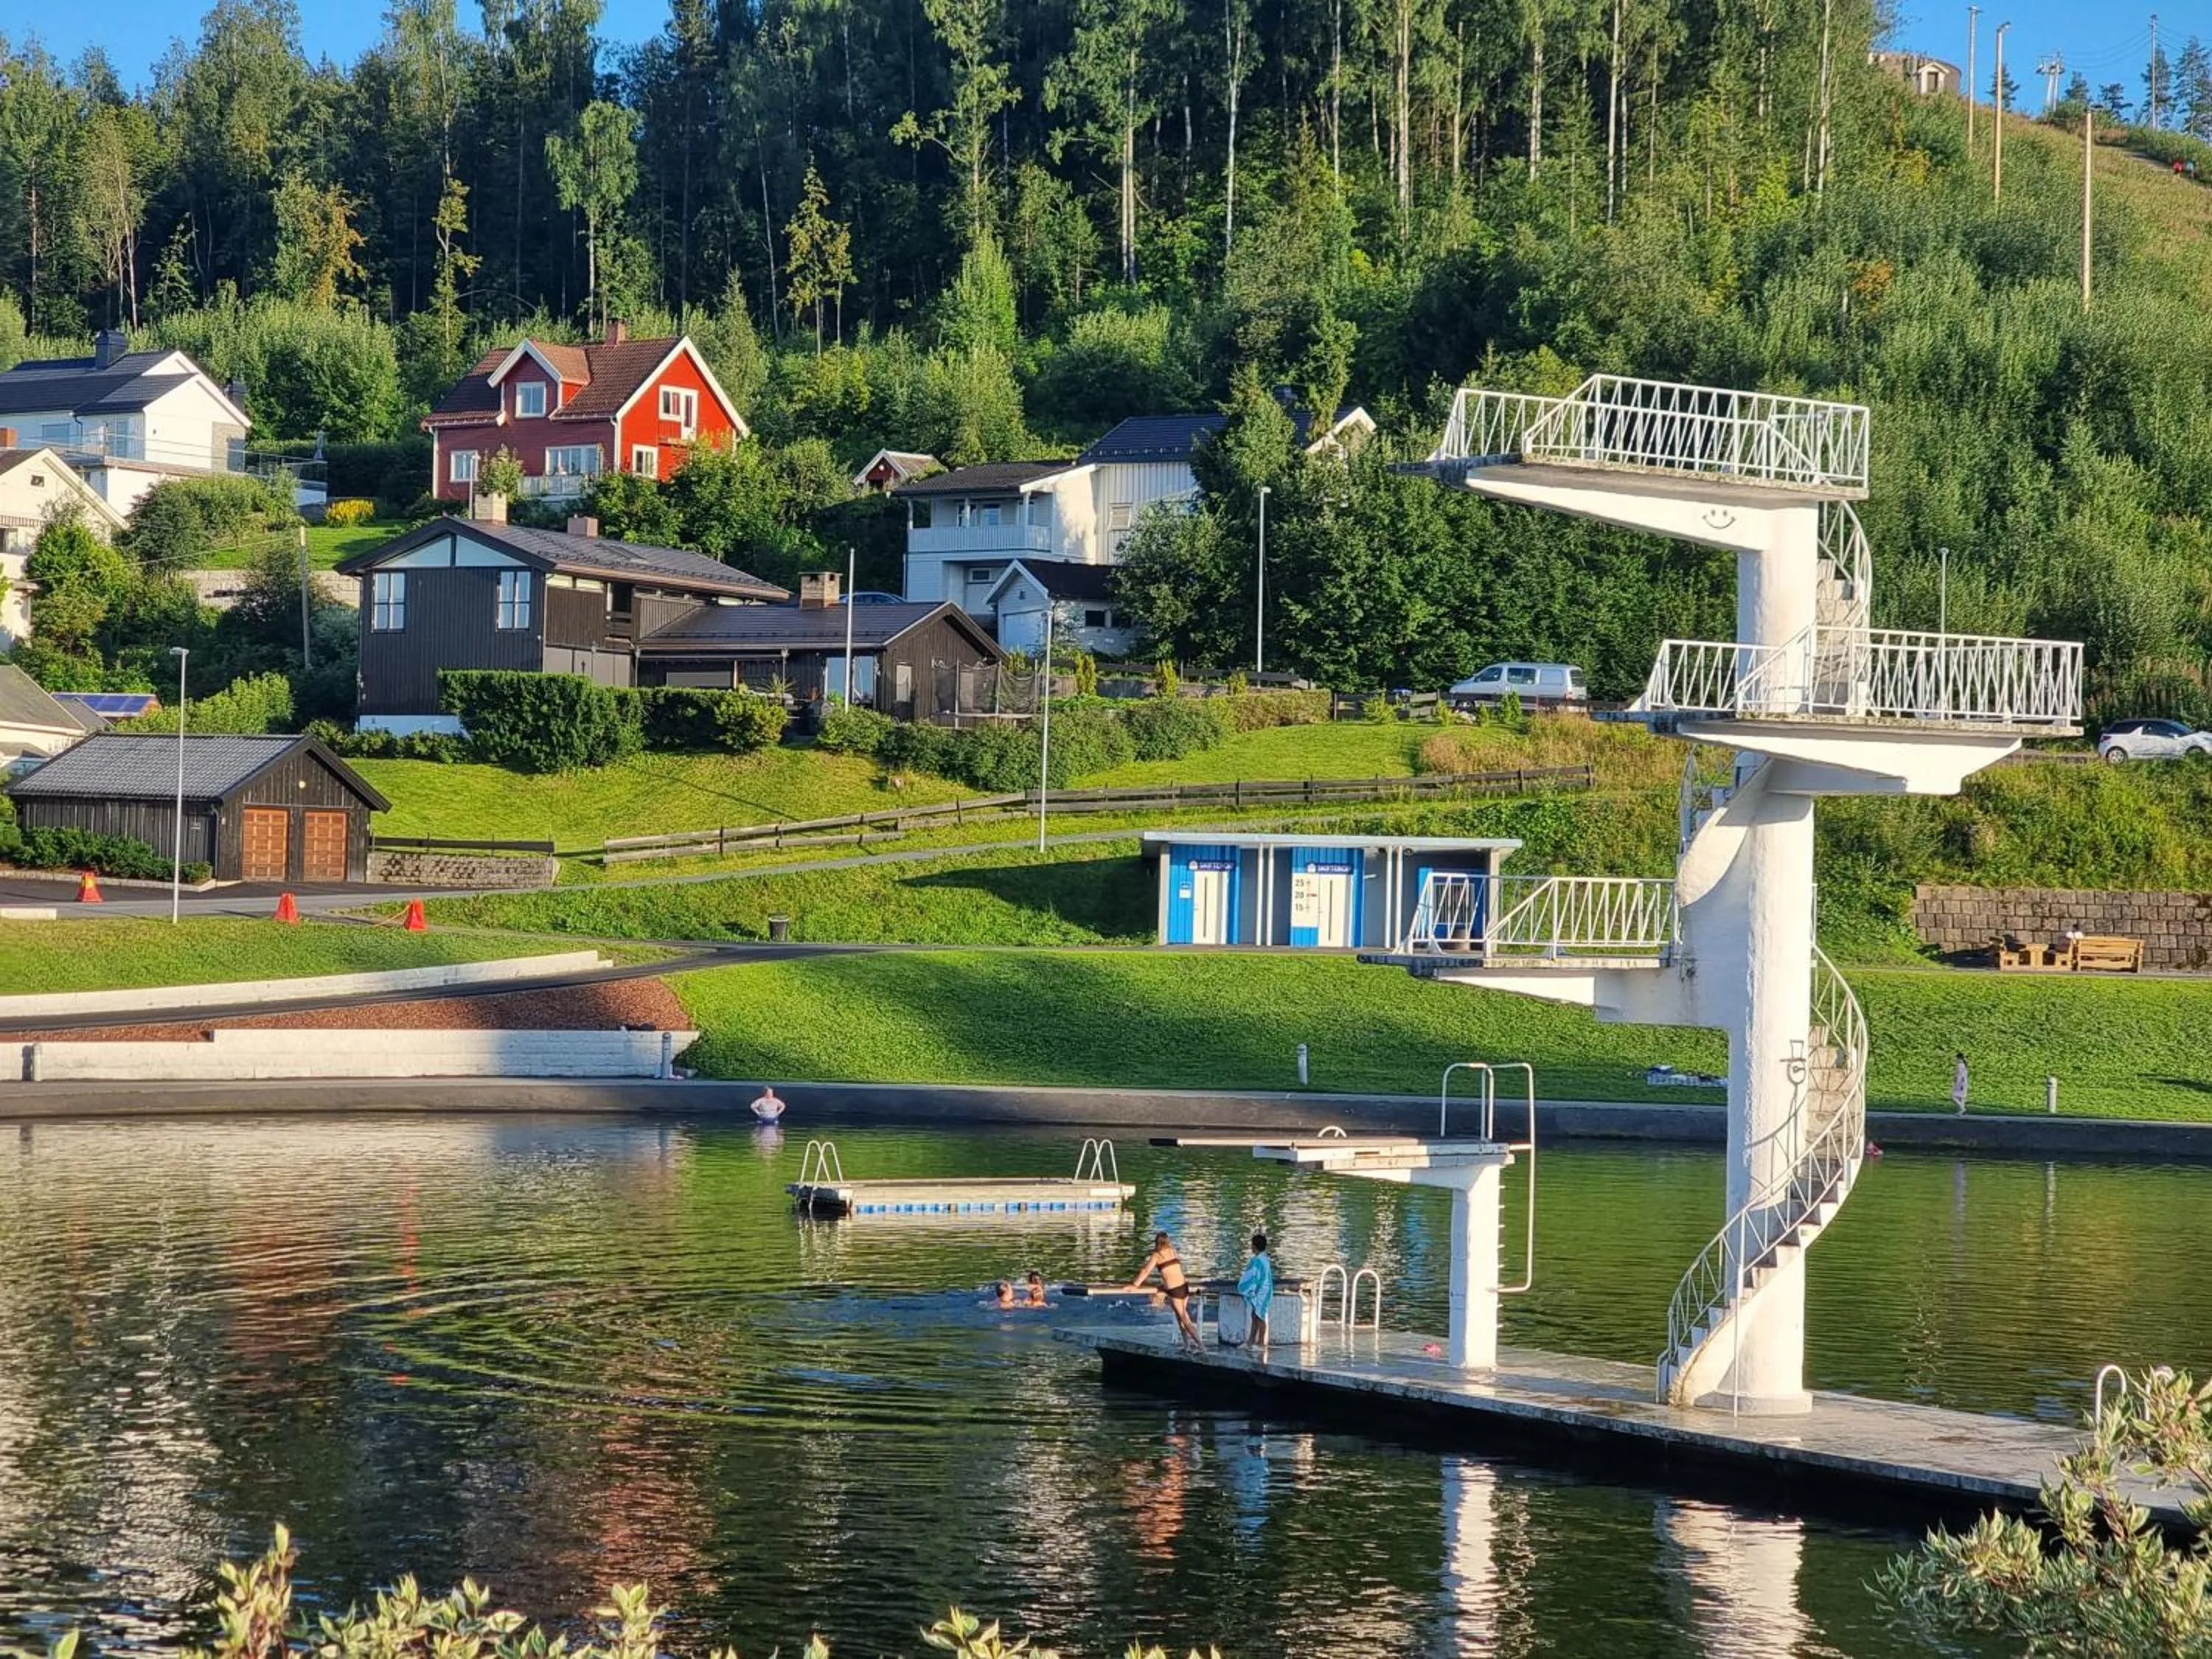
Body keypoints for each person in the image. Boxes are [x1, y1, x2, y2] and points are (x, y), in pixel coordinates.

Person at [1130, 1231, 1203, 1350]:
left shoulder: (1156, 1256)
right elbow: (1172, 1271)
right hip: (1184, 1286)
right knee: (1181, 1317)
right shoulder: (1173, 1252)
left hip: (1175, 1290)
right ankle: (1187, 1345)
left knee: (1185, 1318)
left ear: (1156, 1242)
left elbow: (1146, 1271)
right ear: (1168, 1241)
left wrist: (1135, 1285)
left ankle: (1201, 1346)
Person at [1237, 1231, 1275, 1349]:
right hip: (1262, 1289)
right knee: (1255, 1315)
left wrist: (1249, 1288)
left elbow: (1253, 1276)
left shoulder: (1258, 1260)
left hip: (1263, 1291)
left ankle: (1261, 1343)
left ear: (1254, 1246)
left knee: (1261, 1316)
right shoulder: (1263, 1259)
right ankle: (1251, 1341)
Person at [1952, 1051, 1970, 1118]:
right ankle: (1961, 1112)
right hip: (1964, 1083)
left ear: (1959, 1058)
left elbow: (1959, 1075)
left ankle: (1962, 1109)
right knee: (1963, 1098)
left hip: (1961, 1083)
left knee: (1954, 1096)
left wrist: (1957, 1083)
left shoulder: (1960, 1065)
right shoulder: (1964, 1065)